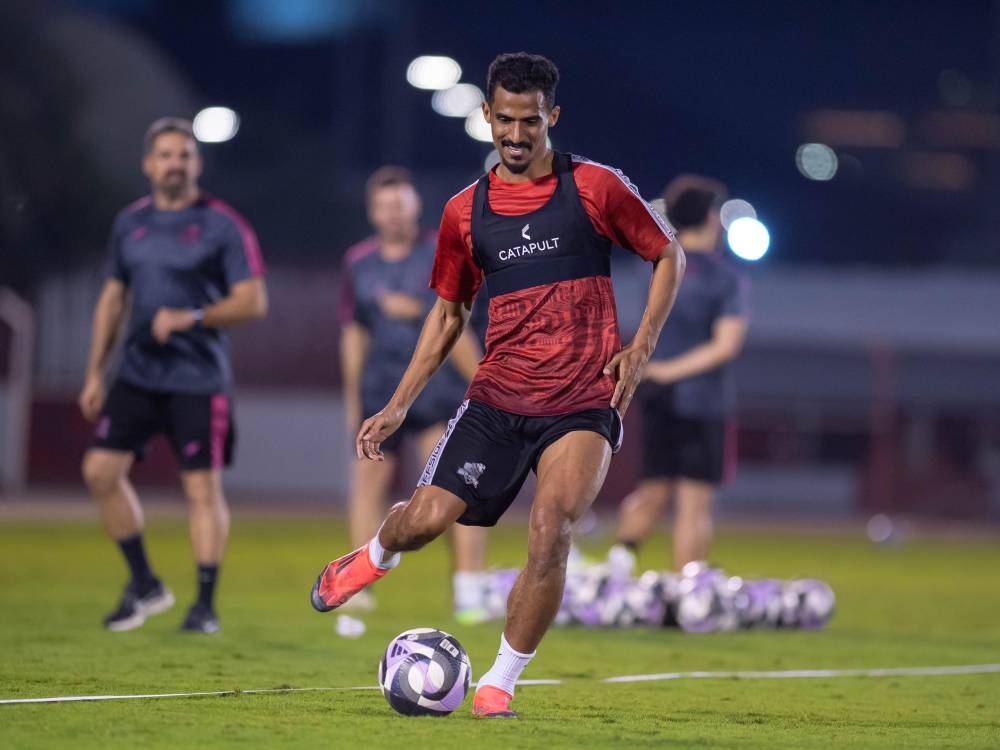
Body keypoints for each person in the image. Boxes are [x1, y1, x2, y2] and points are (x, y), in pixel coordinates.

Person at [310, 52, 685, 718]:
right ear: (487, 114)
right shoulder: (465, 212)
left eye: (530, 122)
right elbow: (448, 315)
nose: (516, 134)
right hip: (496, 399)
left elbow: (668, 253)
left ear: (552, 117)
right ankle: (374, 555)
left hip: (583, 399)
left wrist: (643, 343)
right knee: (424, 522)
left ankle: (498, 683)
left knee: (552, 528)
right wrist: (396, 405)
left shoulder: (595, 187)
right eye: (505, 120)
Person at [78, 117, 268, 634]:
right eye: (165, 155)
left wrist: (193, 317)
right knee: (99, 471)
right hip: (138, 372)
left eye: (184, 155)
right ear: (148, 164)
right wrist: (94, 372)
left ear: (197, 164)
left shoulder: (223, 225)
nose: (175, 164)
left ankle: (204, 605)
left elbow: (253, 300)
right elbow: (113, 298)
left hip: (198, 378)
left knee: (201, 489)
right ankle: (144, 582)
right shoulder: (130, 223)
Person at [338, 166, 488, 622]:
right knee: (366, 487)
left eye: (400, 205)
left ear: (416, 207)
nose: (393, 214)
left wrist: (484, 383)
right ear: (372, 211)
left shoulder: (441, 251)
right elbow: (354, 334)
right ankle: (357, 584)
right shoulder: (358, 262)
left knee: (454, 490)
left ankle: (468, 589)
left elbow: (457, 323)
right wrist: (353, 400)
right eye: (385, 206)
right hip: (379, 392)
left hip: (438, 393)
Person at [608, 175, 749, 576]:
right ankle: (689, 589)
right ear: (711, 217)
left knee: (651, 490)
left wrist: (657, 371)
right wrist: (672, 371)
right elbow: (726, 345)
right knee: (694, 503)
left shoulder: (656, 267)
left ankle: (615, 570)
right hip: (702, 401)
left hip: (654, 395)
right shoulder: (725, 278)